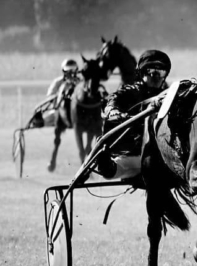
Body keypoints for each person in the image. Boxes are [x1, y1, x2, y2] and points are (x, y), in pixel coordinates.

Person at [94, 50, 171, 179]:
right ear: (141, 74)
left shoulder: (169, 96)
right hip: (135, 153)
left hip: (165, 154)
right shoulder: (130, 92)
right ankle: (108, 167)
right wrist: (115, 112)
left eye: (160, 72)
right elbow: (111, 103)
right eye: (151, 72)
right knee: (129, 164)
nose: (156, 76)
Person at [30, 58, 80, 128]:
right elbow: (50, 96)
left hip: (79, 110)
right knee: (40, 123)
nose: (71, 72)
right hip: (59, 110)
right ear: (64, 70)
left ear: (76, 70)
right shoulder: (58, 82)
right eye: (68, 70)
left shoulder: (81, 82)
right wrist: (61, 96)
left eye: (73, 69)